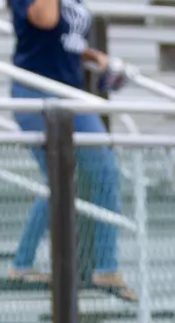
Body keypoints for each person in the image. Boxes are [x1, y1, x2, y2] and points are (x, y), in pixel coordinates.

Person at [7, 0, 136, 300]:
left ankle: (27, 264)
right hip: (38, 92)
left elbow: (66, 40)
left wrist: (96, 57)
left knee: (91, 175)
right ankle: (103, 268)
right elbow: (45, 20)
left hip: (70, 93)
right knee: (71, 176)